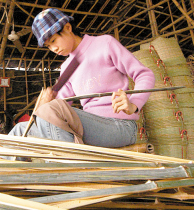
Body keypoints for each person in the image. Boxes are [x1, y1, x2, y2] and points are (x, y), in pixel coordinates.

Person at [9, 8, 155, 148]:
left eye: (53, 41)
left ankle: (73, 168)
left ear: (67, 27)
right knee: (20, 131)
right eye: (48, 46)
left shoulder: (105, 44)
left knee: (51, 110)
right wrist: (43, 105)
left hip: (119, 126)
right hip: (90, 128)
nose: (53, 49)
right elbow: (59, 106)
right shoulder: (67, 68)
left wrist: (133, 105)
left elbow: (144, 74)